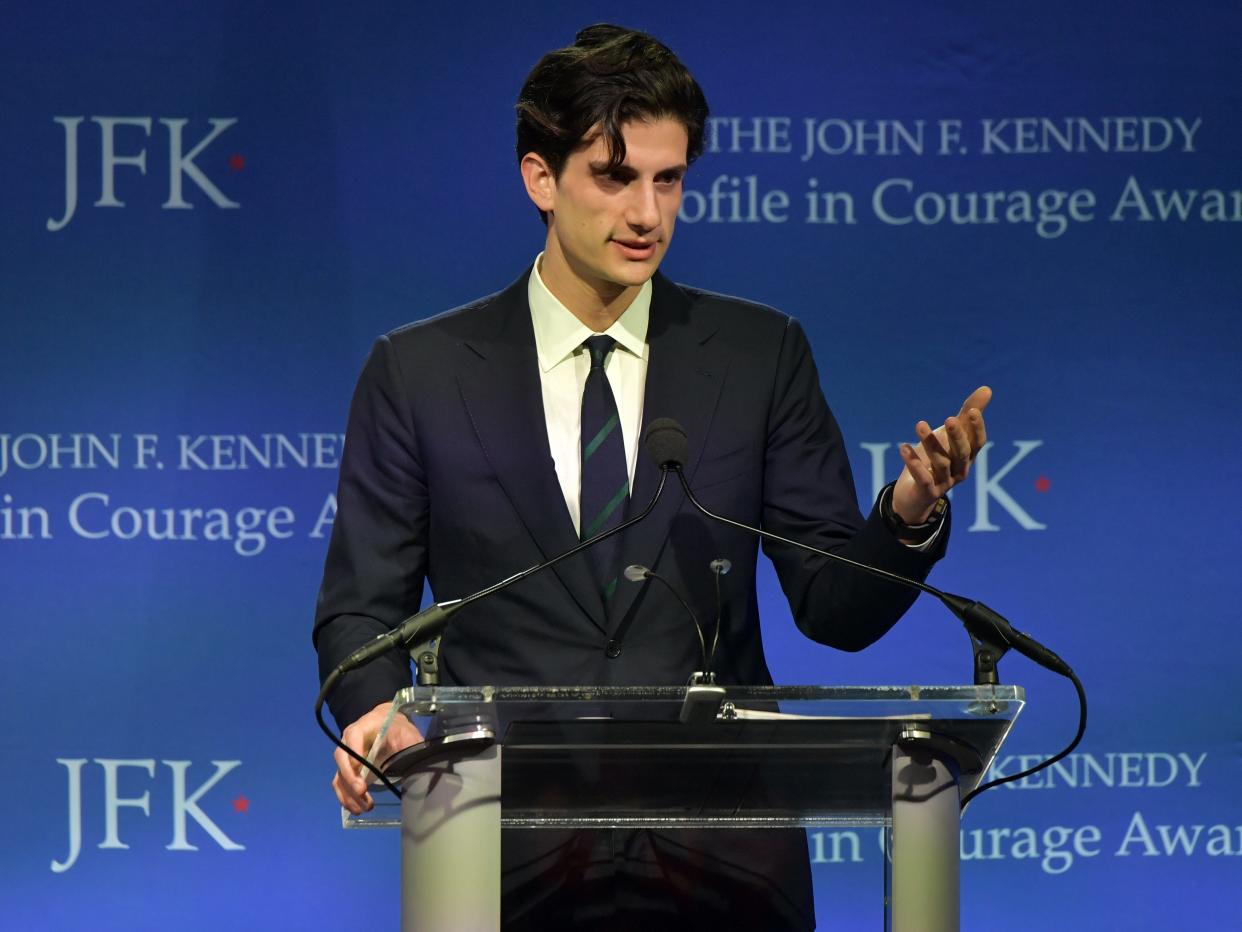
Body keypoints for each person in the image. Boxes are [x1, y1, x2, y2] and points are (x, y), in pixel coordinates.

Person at [314, 23, 989, 929]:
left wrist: (907, 515)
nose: (648, 215)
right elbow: (362, 610)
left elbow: (836, 610)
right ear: (540, 179)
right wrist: (372, 711)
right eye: (616, 177)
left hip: (724, 862)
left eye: (668, 180)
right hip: (502, 854)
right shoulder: (421, 372)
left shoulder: (757, 355)